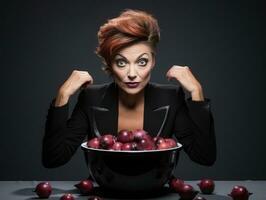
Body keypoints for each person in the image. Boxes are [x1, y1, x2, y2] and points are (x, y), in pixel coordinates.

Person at [42, 9, 216, 168]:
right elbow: (54, 159)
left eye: (142, 62)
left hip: (155, 187)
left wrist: (197, 93)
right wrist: (62, 96)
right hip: (105, 187)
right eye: (121, 62)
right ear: (110, 64)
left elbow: (204, 157)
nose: (132, 73)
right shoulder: (91, 97)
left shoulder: (170, 97)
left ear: (153, 62)